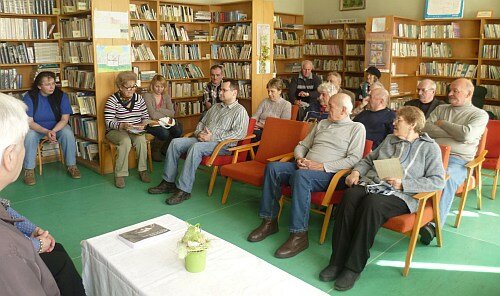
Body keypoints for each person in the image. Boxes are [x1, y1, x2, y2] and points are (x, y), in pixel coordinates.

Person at [320, 106, 445, 291]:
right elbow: (368, 160)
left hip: (402, 194)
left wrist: (403, 184)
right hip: (373, 184)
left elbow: (438, 180)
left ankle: (353, 267)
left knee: (372, 204)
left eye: (399, 120)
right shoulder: (389, 139)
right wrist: (355, 172)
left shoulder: (430, 148)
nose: (393, 123)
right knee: (350, 195)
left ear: (412, 124)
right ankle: (337, 260)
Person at [247, 93, 366, 259]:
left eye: (331, 106)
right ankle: (269, 222)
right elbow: (302, 145)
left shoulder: (356, 128)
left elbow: (354, 159)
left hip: (330, 175)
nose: (326, 108)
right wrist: (299, 158)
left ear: (344, 110)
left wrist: (322, 166)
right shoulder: (323, 123)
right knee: (273, 168)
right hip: (305, 167)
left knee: (301, 177)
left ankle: (299, 236)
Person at [0, 94, 86, 295]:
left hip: (28, 244)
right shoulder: (8, 254)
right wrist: (38, 243)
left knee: (58, 252)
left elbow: (5, 209)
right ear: (10, 156)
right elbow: (14, 254)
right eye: (21, 143)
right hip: (24, 257)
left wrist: (32, 229)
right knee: (58, 258)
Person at [148, 80, 249, 205]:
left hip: (222, 146)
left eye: (224, 90)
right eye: (220, 89)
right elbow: (202, 122)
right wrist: (199, 133)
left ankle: (184, 190)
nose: (220, 92)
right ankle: (168, 182)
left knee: (196, 147)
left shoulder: (240, 111)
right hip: (202, 139)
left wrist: (211, 137)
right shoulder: (216, 107)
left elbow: (239, 134)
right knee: (175, 143)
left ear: (234, 92)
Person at [420, 78, 489, 244]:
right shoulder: (441, 108)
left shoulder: (479, 114)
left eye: (455, 91)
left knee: (446, 178)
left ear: (469, 93)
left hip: (457, 160)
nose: (449, 94)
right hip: (429, 154)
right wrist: (456, 132)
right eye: (449, 90)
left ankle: (435, 224)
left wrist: (442, 123)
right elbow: (425, 127)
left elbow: (466, 135)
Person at [22, 71, 81, 186]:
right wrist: (46, 131)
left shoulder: (61, 95)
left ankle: (72, 166)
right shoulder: (30, 96)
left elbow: (64, 119)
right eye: (47, 84)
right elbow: (29, 122)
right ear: (39, 86)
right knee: (29, 135)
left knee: (68, 132)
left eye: (53, 83)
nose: (51, 87)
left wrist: (53, 131)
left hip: (57, 127)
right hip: (37, 127)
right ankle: (29, 170)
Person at [104, 71, 151, 188]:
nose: (131, 90)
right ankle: (120, 175)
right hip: (116, 131)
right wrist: (122, 125)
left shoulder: (139, 98)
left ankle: (142, 170)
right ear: (120, 87)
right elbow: (108, 122)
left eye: (133, 86)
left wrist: (144, 124)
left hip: (135, 130)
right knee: (125, 141)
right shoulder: (112, 100)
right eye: (127, 87)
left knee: (141, 140)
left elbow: (145, 116)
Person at [143, 74, 183, 161]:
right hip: (150, 122)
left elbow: (172, 113)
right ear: (152, 86)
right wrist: (164, 113)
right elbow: (152, 115)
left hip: (165, 121)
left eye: (162, 86)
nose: (159, 89)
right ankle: (155, 150)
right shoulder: (147, 96)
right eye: (157, 86)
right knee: (164, 133)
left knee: (178, 129)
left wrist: (159, 109)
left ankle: (165, 148)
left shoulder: (166, 96)